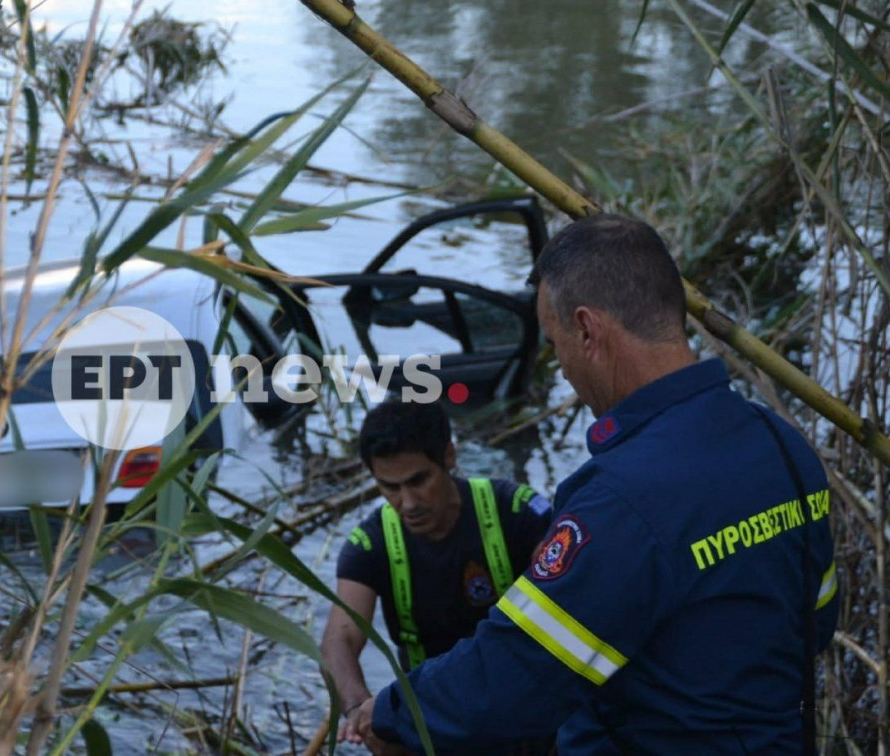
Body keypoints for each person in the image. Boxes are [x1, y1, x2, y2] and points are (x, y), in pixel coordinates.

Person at [347, 214, 839, 755]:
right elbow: (817, 619)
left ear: (587, 330)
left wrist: (395, 712)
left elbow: (517, 674)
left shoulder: (622, 498)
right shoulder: (783, 447)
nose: (560, 367)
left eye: (556, 343)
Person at [321, 400, 554, 753]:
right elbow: (339, 639)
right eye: (390, 487)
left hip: (521, 700)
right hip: (434, 713)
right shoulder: (369, 544)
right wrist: (357, 710)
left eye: (418, 481)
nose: (408, 503)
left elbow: (569, 599)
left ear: (449, 456)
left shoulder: (518, 510)